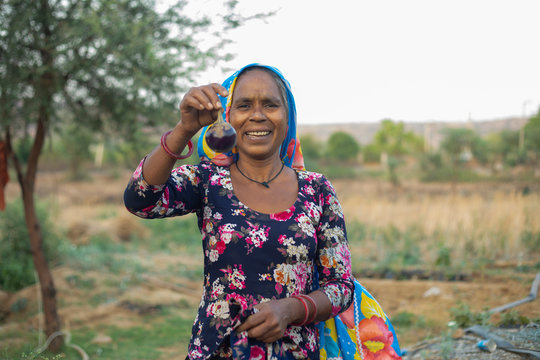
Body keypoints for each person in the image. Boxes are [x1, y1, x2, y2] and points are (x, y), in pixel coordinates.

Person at [124, 64, 355, 360]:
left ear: (287, 117)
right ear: (229, 117)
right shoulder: (208, 181)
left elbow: (340, 286)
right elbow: (140, 200)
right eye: (244, 105)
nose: (257, 115)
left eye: (270, 104)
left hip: (293, 352)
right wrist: (185, 129)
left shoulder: (317, 190)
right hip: (217, 350)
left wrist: (291, 309)